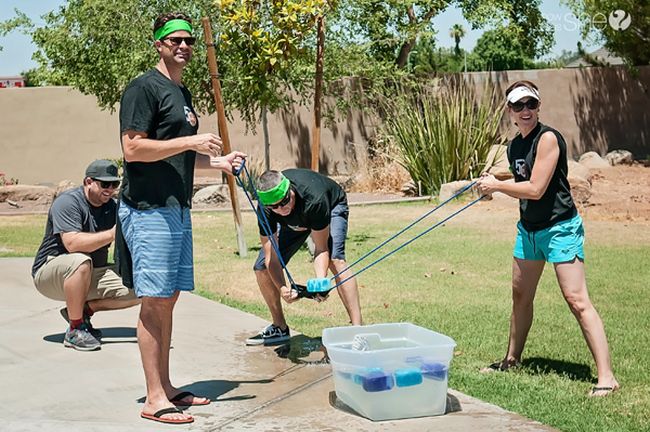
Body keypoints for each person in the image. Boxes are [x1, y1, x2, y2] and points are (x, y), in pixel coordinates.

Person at [117, 12, 245, 425]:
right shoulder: (143, 88)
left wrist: (218, 162)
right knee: (154, 301)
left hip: (176, 208)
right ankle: (154, 399)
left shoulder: (181, 92)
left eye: (189, 39)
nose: (184, 45)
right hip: (148, 209)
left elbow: (177, 157)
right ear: (158, 44)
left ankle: (167, 387)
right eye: (174, 39)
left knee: (168, 299)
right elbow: (133, 150)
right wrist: (192, 139)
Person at [476, 80, 619, 397]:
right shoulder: (515, 146)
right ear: (510, 111)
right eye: (518, 105)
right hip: (528, 230)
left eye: (530, 104)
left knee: (577, 300)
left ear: (538, 106)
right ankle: (511, 360)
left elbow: (536, 188)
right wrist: (495, 181)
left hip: (560, 228)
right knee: (520, 296)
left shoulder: (548, 138)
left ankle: (607, 377)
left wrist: (496, 187)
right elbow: (524, 184)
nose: (525, 111)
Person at [32, 159, 140, 352]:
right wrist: (112, 233)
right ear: (88, 182)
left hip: (91, 273)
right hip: (50, 275)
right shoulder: (68, 202)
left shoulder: (113, 208)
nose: (110, 189)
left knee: (141, 286)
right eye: (104, 184)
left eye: (114, 184)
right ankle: (75, 329)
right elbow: (72, 244)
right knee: (81, 260)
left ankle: (84, 311)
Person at [245, 169, 362, 346]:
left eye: (284, 202)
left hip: (330, 206)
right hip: (297, 223)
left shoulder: (313, 198)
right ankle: (280, 327)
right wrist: (283, 288)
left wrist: (321, 282)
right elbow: (272, 258)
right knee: (261, 268)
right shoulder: (266, 209)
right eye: (274, 206)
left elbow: (321, 248)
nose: (281, 209)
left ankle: (358, 332)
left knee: (335, 260)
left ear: (289, 189)